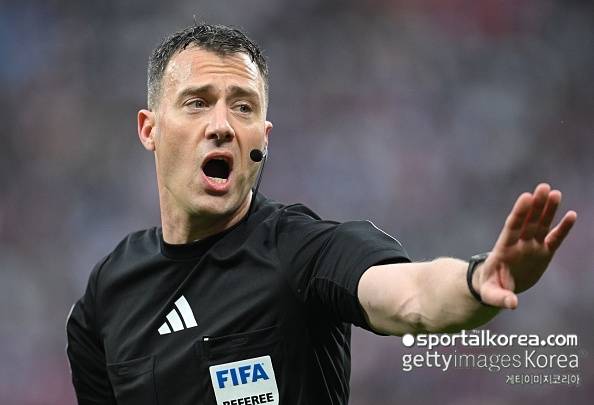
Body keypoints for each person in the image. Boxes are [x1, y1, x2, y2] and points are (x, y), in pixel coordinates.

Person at [66, 23, 577, 405]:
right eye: (197, 103)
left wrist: (476, 280)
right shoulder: (108, 296)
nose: (222, 125)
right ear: (149, 129)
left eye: (243, 107)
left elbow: (411, 296)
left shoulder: (299, 251)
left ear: (263, 138)